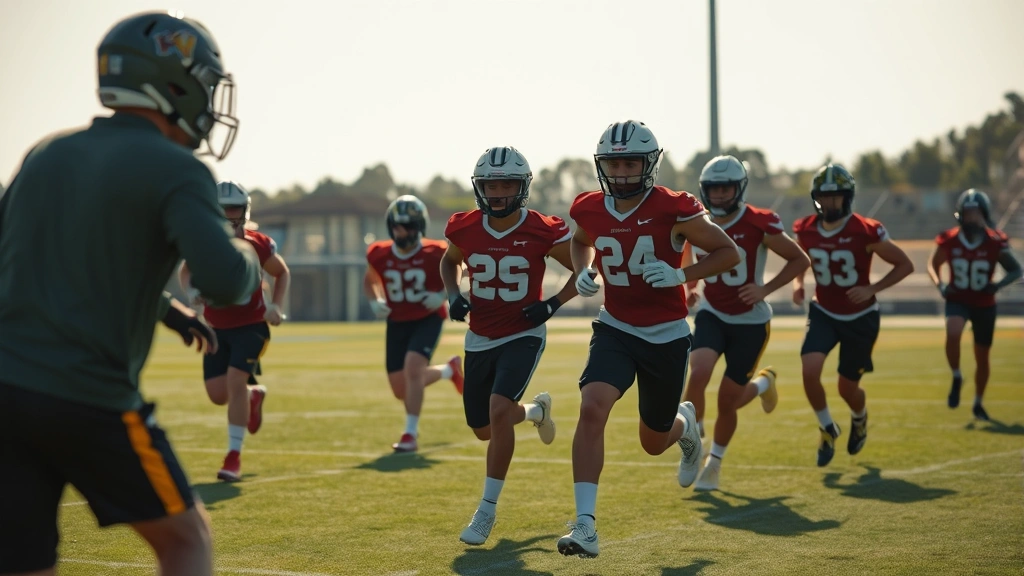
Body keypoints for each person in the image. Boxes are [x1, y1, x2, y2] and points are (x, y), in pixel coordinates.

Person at [0, 11, 257, 576]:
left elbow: (33, 265)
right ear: (175, 82)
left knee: (23, 561)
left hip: (6, 392)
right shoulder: (175, 167)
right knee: (186, 540)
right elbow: (224, 280)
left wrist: (168, 311)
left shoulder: (46, 153)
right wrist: (246, 254)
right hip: (86, 395)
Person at [558, 121, 741, 558]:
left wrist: (681, 274)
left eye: (629, 163)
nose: (620, 173)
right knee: (592, 405)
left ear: (649, 164)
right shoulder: (589, 206)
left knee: (653, 441)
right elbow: (581, 242)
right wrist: (585, 270)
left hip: (666, 335)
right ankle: (585, 525)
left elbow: (728, 252)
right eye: (613, 164)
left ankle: (686, 428)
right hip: (616, 326)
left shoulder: (674, 207)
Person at [441, 146, 576, 546]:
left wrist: (552, 304)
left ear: (522, 187)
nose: (498, 192)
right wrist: (453, 294)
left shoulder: (542, 229)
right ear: (479, 187)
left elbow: (586, 267)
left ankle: (486, 511)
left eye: (505, 184)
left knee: (498, 411)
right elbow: (450, 262)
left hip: (522, 334)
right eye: (490, 185)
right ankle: (535, 410)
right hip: (479, 335)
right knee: (484, 428)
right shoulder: (463, 227)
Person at [680, 155, 811, 491]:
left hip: (751, 322)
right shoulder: (698, 221)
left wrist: (765, 289)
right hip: (712, 310)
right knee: (699, 369)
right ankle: (694, 433)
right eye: (714, 189)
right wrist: (691, 286)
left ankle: (716, 461)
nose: (720, 196)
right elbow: (685, 253)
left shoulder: (759, 222)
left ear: (739, 189)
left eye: (726, 189)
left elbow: (799, 259)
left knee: (728, 399)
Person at [791, 163, 914, 467]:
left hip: (861, 317)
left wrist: (872, 288)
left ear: (848, 197)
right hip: (823, 310)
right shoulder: (805, 229)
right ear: (816, 197)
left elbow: (904, 265)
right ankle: (827, 427)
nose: (831, 202)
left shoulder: (865, 229)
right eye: (825, 196)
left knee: (847, 388)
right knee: (809, 370)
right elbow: (800, 260)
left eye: (836, 196)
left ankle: (859, 418)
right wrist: (798, 284)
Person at [178, 181, 291, 481]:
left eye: (234, 209)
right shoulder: (205, 242)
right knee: (218, 395)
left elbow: (282, 273)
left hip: (252, 326)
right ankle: (253, 396)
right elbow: (185, 270)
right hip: (216, 328)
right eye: (222, 209)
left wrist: (276, 306)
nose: (228, 215)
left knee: (234, 380)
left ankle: (233, 456)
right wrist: (191, 293)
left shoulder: (258, 243)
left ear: (244, 210)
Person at [364, 194, 464, 452]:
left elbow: (463, 268)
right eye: (397, 226)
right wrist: (375, 300)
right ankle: (448, 370)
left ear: (419, 226)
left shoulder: (436, 251)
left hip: (427, 318)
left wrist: (445, 293)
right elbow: (370, 280)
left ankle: (410, 433)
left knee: (413, 368)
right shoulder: (380, 253)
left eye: (407, 226)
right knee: (401, 389)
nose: (402, 231)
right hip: (397, 321)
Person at [927, 189, 1021, 420]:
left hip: (984, 302)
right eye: (968, 213)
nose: (972, 218)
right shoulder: (949, 239)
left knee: (982, 357)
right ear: (961, 214)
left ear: (984, 214)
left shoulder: (994, 241)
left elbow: (1016, 269)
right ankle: (957, 375)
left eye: (976, 213)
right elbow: (933, 264)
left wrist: (998, 286)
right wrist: (940, 285)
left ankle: (978, 402)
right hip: (958, 298)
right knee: (953, 330)